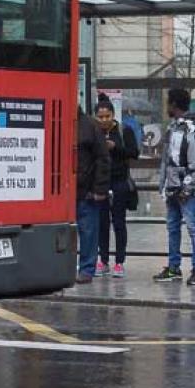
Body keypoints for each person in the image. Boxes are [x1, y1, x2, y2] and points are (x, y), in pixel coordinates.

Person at [154, 87, 195, 286]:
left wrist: (186, 189)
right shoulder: (174, 128)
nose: (167, 106)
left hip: (184, 189)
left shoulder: (192, 130)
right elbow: (168, 161)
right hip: (174, 187)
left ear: (174, 104)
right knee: (174, 227)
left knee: (192, 228)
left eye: (169, 102)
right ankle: (175, 267)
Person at [94, 95, 139, 278]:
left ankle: (119, 262)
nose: (104, 120)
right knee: (102, 223)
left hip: (119, 183)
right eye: (101, 116)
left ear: (113, 115)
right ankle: (103, 260)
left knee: (119, 223)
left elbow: (134, 152)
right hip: (101, 184)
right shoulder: (94, 132)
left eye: (107, 116)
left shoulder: (123, 131)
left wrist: (115, 148)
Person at [74, 106, 110, 284]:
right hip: (67, 191)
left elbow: (103, 159)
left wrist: (99, 189)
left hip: (86, 190)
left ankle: (87, 269)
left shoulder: (90, 125)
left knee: (88, 231)